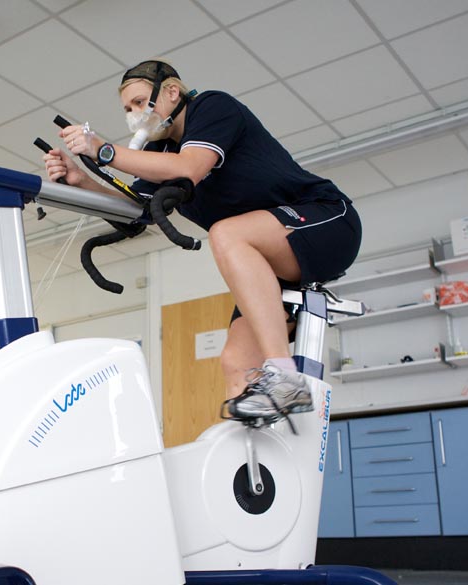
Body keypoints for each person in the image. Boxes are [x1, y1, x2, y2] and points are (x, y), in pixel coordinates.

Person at [43, 60, 361, 427]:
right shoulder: (160, 155)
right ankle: (253, 471)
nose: (133, 115)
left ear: (172, 92)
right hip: (272, 260)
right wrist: (78, 180)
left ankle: (286, 381)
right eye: (127, 109)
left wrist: (105, 151)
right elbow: (137, 211)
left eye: (139, 102)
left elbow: (191, 166)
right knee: (236, 364)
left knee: (225, 232)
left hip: (325, 222)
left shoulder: (211, 108)